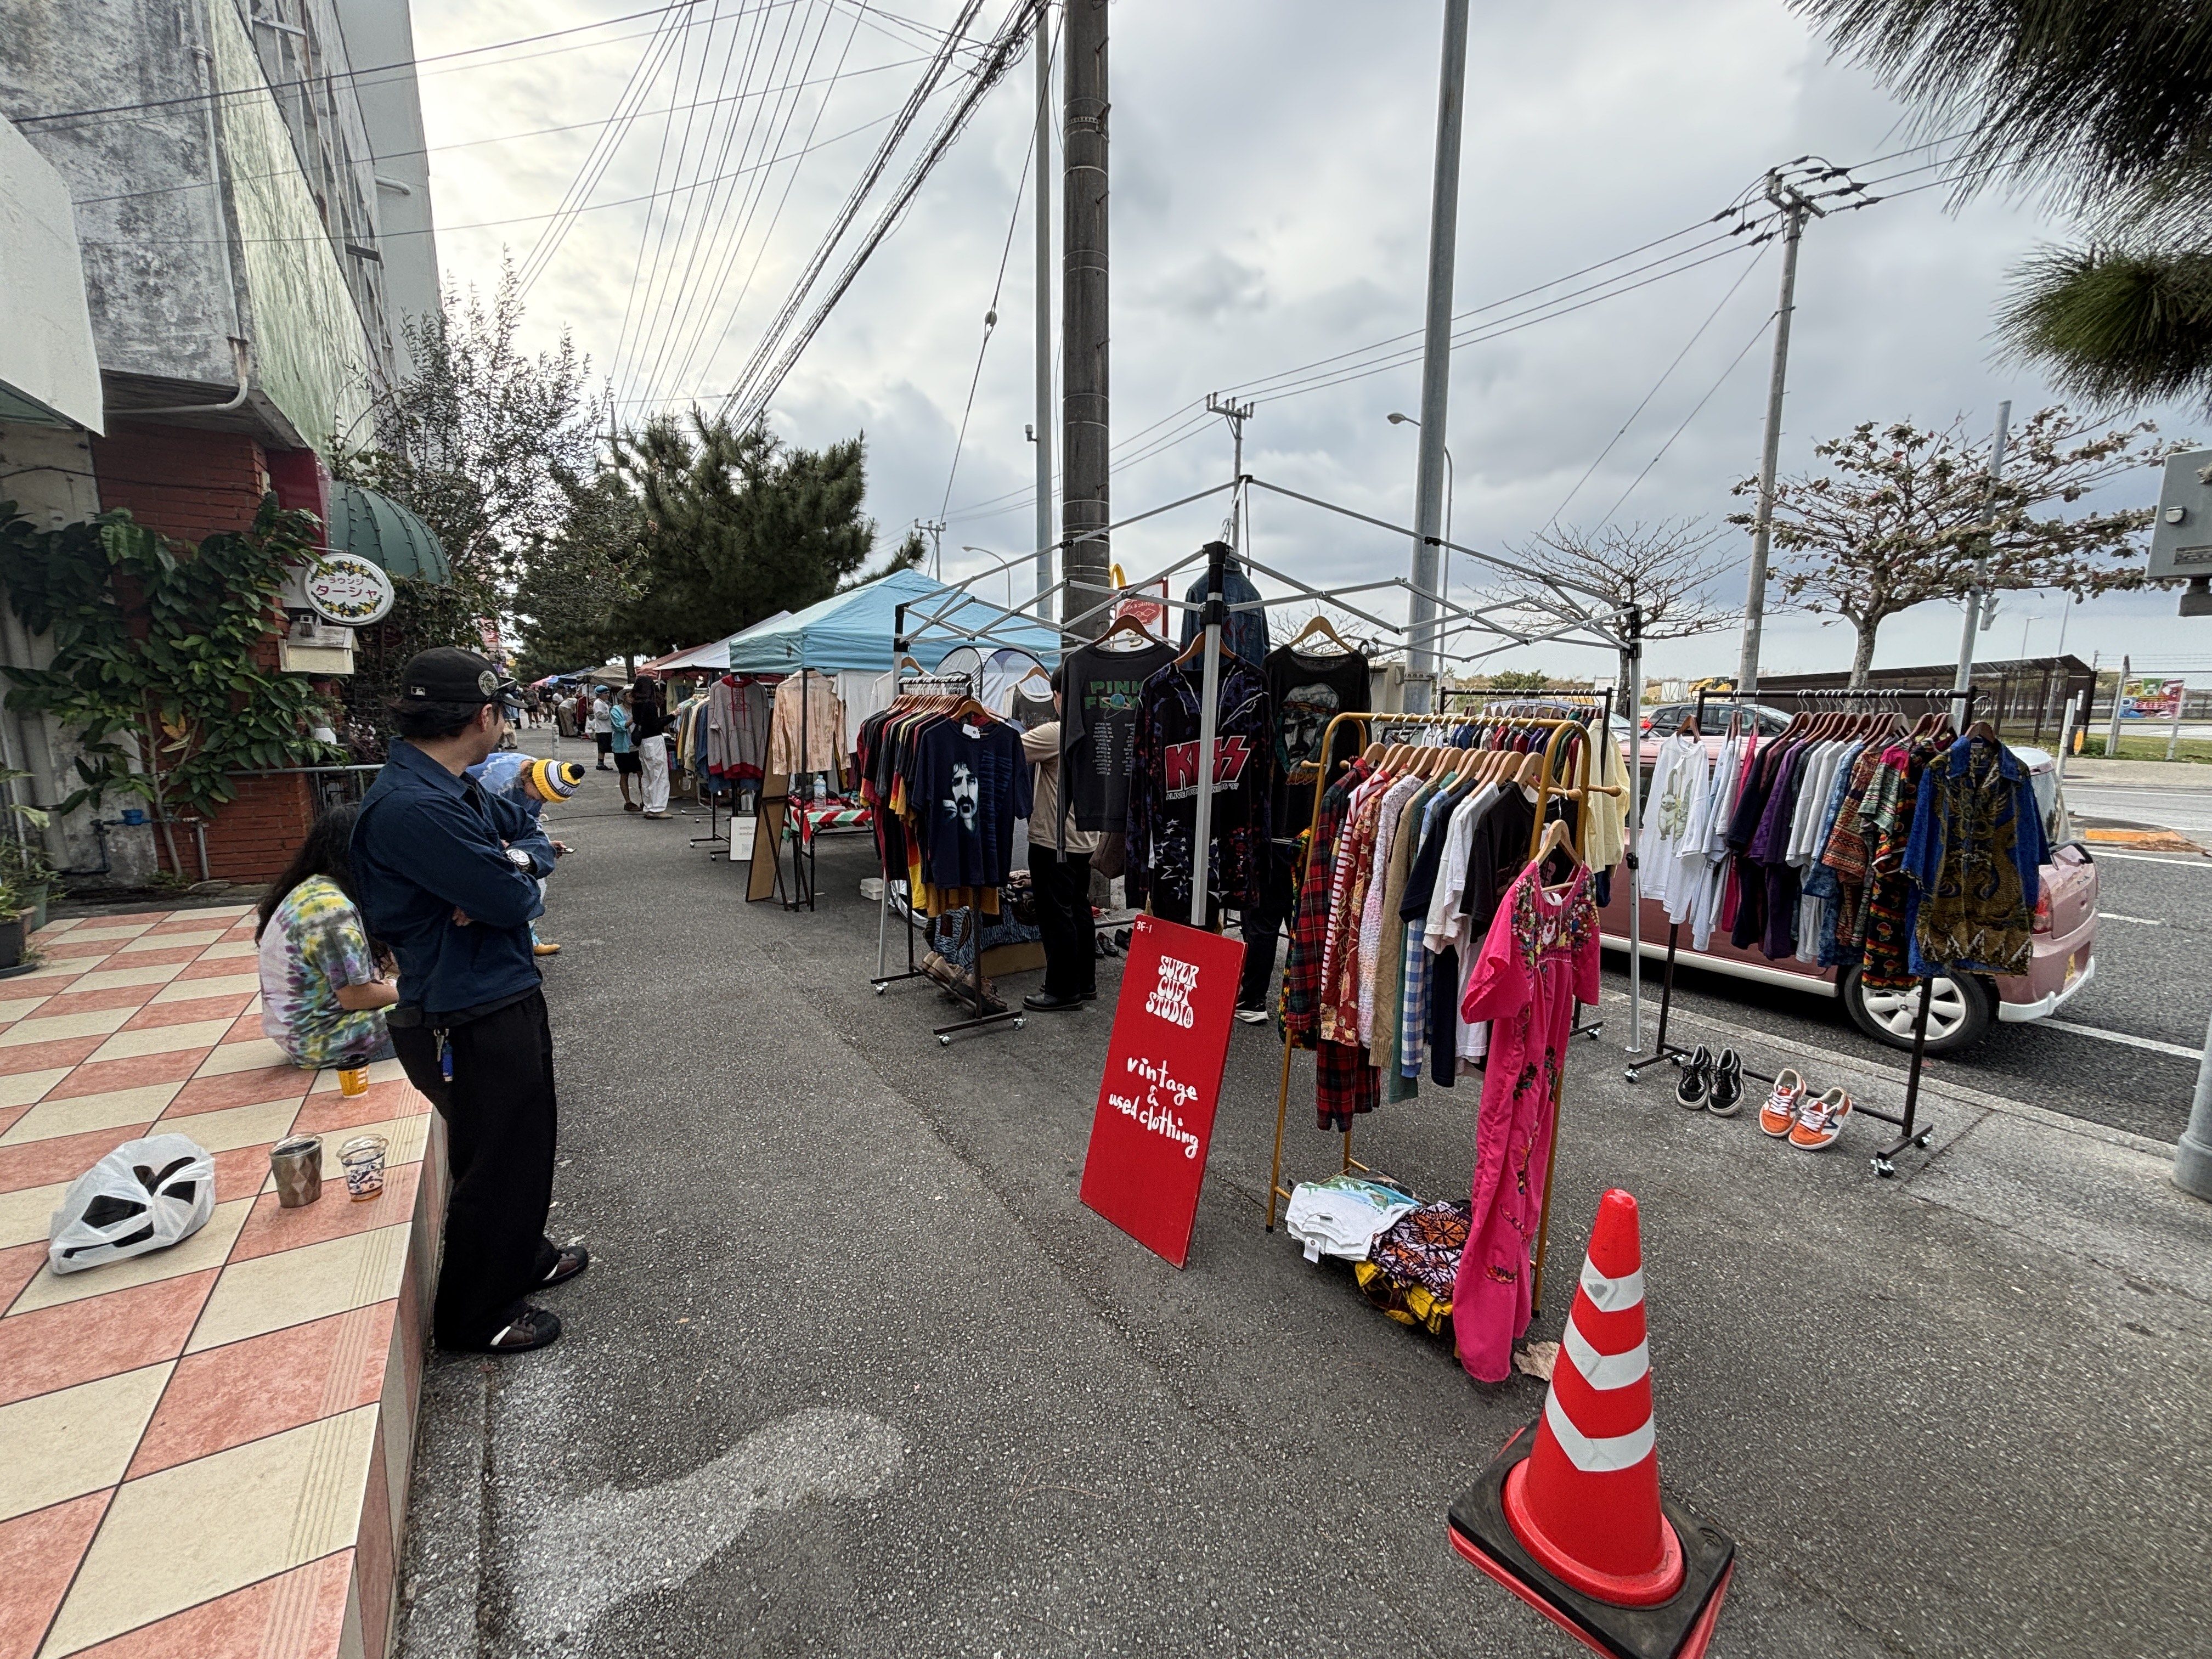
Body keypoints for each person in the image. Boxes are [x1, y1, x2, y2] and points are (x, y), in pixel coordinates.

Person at [352, 646, 581, 1355]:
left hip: (494, 988)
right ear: (485, 715)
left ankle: (523, 1256)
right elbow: (513, 900)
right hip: (462, 1007)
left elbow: (530, 841)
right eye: (502, 711)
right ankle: (475, 1314)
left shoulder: (449, 787)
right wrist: (507, 879)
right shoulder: (415, 806)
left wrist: (510, 863)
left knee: (524, 1142)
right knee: (495, 1157)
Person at [254, 802, 398, 1069]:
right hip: (327, 1041)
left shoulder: (315, 887)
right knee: (443, 1007)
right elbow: (356, 997)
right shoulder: (331, 912)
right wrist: (414, 988)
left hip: (306, 1034)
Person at [1020, 665, 1101, 1013]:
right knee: (1079, 909)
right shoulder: (1098, 729)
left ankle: (1062, 989)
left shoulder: (1057, 732)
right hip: (1085, 837)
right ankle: (1084, 982)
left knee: (1056, 915)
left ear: (1058, 696)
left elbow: (1009, 749)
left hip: (1054, 841)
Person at [469, 754, 584, 955]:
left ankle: (526, 937)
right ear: (532, 779)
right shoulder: (497, 781)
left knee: (536, 875)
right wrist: (503, 845)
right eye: (543, 795)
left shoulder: (539, 777)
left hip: (502, 830)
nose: (543, 800)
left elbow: (531, 819)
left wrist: (543, 845)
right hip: (469, 828)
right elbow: (475, 822)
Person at [632, 675, 672, 819]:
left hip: (643, 742)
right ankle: (658, 809)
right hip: (654, 741)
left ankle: (649, 806)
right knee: (659, 775)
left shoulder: (636, 704)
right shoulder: (650, 705)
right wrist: (672, 716)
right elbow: (655, 725)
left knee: (648, 776)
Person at [610, 689, 640, 810]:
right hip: (622, 748)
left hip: (637, 746)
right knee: (624, 774)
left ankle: (645, 800)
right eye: (630, 695)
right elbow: (619, 726)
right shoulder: (616, 710)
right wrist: (633, 718)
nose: (632, 698)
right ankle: (628, 802)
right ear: (624, 697)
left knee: (641, 774)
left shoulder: (637, 708)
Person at [588, 687, 614, 770]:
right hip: (603, 729)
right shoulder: (598, 703)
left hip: (607, 728)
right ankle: (600, 764)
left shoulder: (605, 703)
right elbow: (600, 715)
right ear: (600, 695)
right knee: (603, 748)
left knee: (603, 748)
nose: (607, 695)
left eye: (608, 693)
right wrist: (611, 715)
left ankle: (601, 764)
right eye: (605, 693)